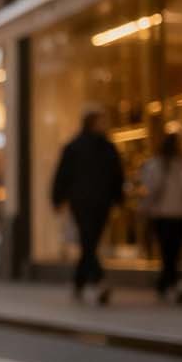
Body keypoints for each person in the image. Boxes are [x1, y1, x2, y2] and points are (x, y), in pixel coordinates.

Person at [52, 111, 124, 305]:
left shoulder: (106, 148)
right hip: (85, 202)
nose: (104, 124)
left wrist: (117, 198)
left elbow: (116, 175)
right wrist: (58, 198)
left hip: (95, 202)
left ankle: (79, 282)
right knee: (88, 240)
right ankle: (99, 280)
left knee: (89, 242)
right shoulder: (77, 147)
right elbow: (63, 174)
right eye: (101, 121)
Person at [141, 132, 182, 304]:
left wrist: (145, 209)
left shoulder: (155, 165)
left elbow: (150, 189)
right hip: (177, 213)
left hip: (161, 214)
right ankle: (172, 282)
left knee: (167, 251)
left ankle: (168, 283)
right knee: (172, 251)